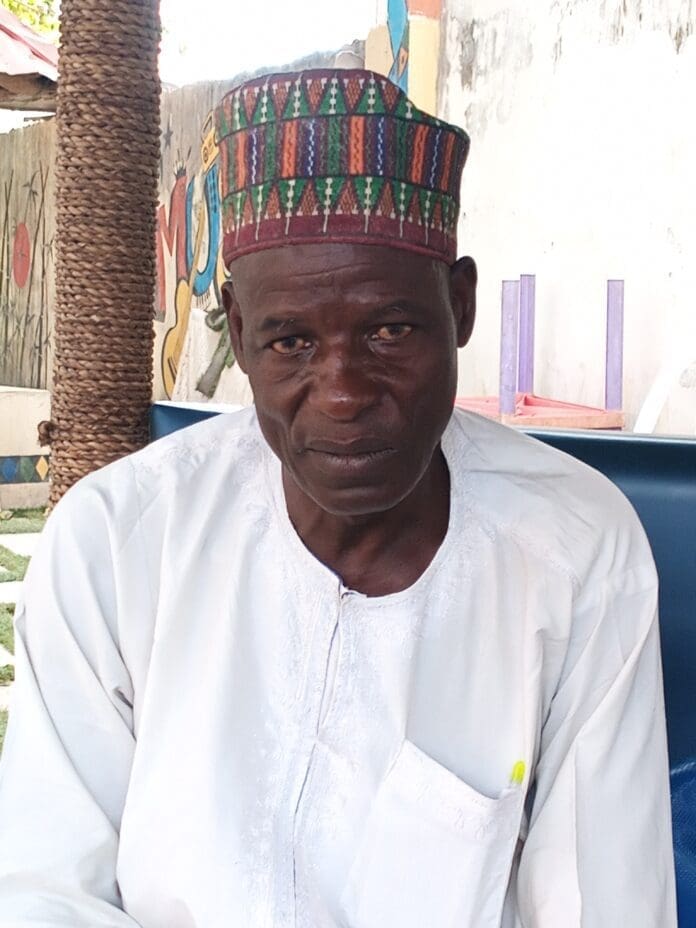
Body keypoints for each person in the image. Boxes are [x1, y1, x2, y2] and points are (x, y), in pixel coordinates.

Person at [0, 68, 676, 927]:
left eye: (389, 330)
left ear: (461, 307)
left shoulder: (578, 552)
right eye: (289, 341)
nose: (345, 391)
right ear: (239, 335)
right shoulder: (115, 543)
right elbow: (47, 889)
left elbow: (603, 899)